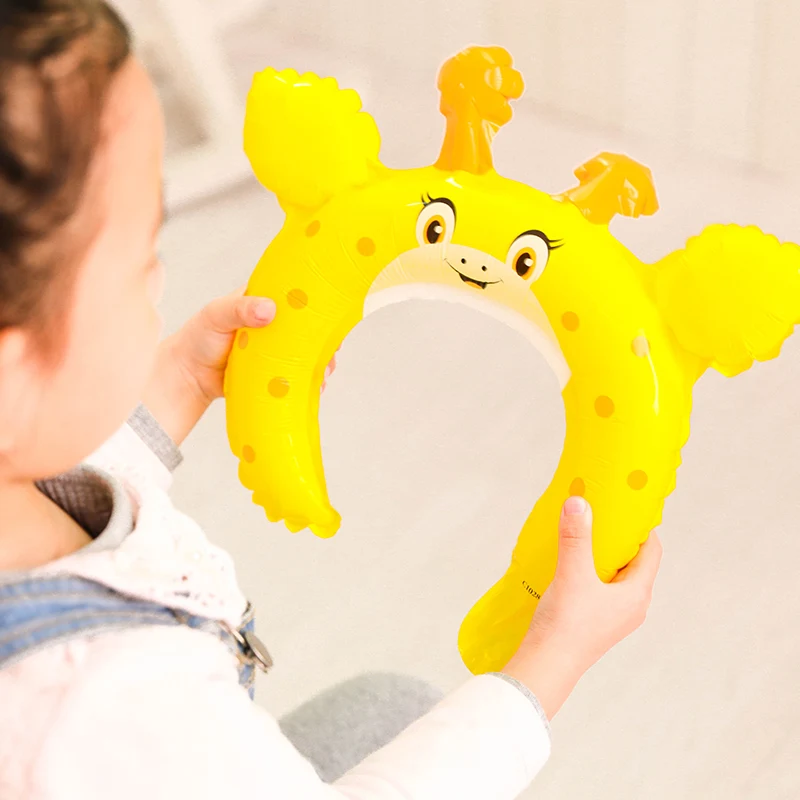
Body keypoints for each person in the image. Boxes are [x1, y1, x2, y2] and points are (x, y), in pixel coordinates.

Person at [0, 2, 663, 798]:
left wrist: (175, 385)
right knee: (410, 713)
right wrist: (551, 659)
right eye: (143, 256)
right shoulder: (118, 704)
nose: (160, 278)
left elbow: (42, 474)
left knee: (390, 706)